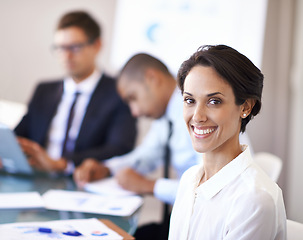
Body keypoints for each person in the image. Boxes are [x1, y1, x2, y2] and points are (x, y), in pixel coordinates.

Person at [73, 53, 253, 240]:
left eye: (133, 98)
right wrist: (107, 168)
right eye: (189, 101)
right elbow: (146, 156)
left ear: (152, 79)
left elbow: (213, 191)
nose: (135, 112)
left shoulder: (202, 124)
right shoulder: (166, 118)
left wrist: (148, 186)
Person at [168, 45, 286, 239]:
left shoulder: (255, 199)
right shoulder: (189, 180)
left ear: (245, 107)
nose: (197, 116)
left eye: (214, 101)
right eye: (190, 100)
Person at [14, 11, 136, 174]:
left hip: (82, 180)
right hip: (37, 175)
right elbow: (20, 135)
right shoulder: (44, 91)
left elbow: (120, 147)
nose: (66, 55)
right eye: (60, 48)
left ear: (97, 45)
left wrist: (62, 163)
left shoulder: (117, 92)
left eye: (75, 47)